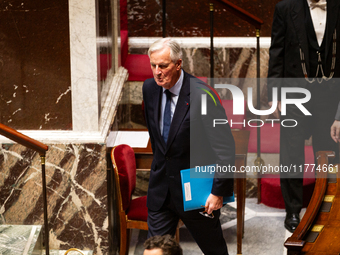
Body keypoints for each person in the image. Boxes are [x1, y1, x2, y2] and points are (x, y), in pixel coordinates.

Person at [142, 38, 235, 255]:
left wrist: (217, 191)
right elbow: (158, 141)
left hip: (197, 192)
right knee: (155, 253)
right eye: (153, 65)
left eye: (163, 66)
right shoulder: (150, 89)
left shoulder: (202, 95)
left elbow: (225, 148)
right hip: (161, 192)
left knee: (215, 251)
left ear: (178, 64)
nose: (157, 72)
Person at [267, 0, 340, 233]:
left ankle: (326, 206)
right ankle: (292, 210)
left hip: (330, 93)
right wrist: (274, 94)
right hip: (293, 92)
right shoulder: (286, 8)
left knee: (328, 148)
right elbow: (277, 51)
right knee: (292, 151)